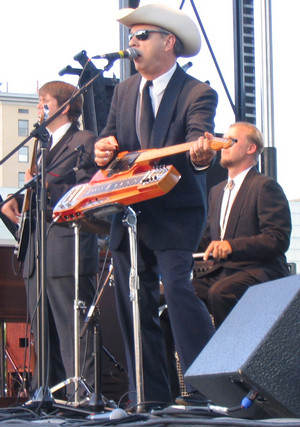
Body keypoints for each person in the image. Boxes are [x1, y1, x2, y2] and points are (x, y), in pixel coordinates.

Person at [94, 3, 218, 409]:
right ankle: (150, 395)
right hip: (130, 213)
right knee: (134, 299)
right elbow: (113, 144)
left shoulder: (197, 92)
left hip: (175, 210)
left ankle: (206, 388)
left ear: (169, 42)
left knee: (178, 288)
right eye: (131, 37)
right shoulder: (125, 90)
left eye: (141, 35)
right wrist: (103, 150)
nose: (133, 42)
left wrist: (201, 155)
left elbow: (200, 147)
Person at [1, 81, 99, 400]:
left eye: (44, 100)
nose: (39, 106)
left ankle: (81, 397)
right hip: (37, 252)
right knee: (42, 334)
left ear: (65, 106)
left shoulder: (84, 141)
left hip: (67, 250)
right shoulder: (40, 146)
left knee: (73, 330)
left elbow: (85, 193)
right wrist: (13, 206)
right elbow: (37, 200)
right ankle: (46, 396)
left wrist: (42, 189)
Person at [194, 122, 292, 329]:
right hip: (223, 272)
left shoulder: (265, 186)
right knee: (177, 301)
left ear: (251, 148)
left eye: (232, 140)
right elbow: (209, 239)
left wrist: (232, 246)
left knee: (221, 293)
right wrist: (177, 249)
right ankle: (184, 361)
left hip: (260, 270)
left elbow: (277, 238)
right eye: (224, 140)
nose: (224, 145)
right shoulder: (217, 191)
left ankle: (232, 359)